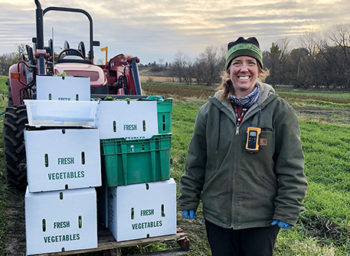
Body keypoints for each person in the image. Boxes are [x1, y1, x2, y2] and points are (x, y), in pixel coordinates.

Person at [178, 37, 308, 256]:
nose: (243, 69)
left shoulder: (279, 111)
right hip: (217, 215)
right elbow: (196, 161)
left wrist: (288, 208)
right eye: (237, 63)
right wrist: (189, 197)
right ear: (229, 71)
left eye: (251, 63)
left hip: (260, 218)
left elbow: (291, 166)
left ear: (259, 70)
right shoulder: (209, 112)